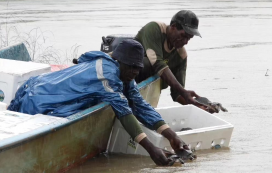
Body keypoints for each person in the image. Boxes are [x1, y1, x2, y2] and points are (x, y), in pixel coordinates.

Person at [8, 39, 193, 166]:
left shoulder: (123, 73)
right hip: (36, 98)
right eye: (132, 70)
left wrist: (172, 136)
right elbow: (124, 112)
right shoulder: (107, 74)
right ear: (120, 62)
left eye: (137, 71)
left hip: (38, 86)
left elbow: (138, 104)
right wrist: (151, 149)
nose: (134, 75)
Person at [135, 10, 226, 113]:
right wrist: (183, 91)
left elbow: (177, 94)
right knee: (147, 64)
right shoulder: (154, 29)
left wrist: (198, 105)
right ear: (173, 26)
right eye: (183, 36)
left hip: (147, 95)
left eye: (189, 38)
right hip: (128, 80)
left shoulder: (181, 56)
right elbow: (157, 63)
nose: (185, 42)